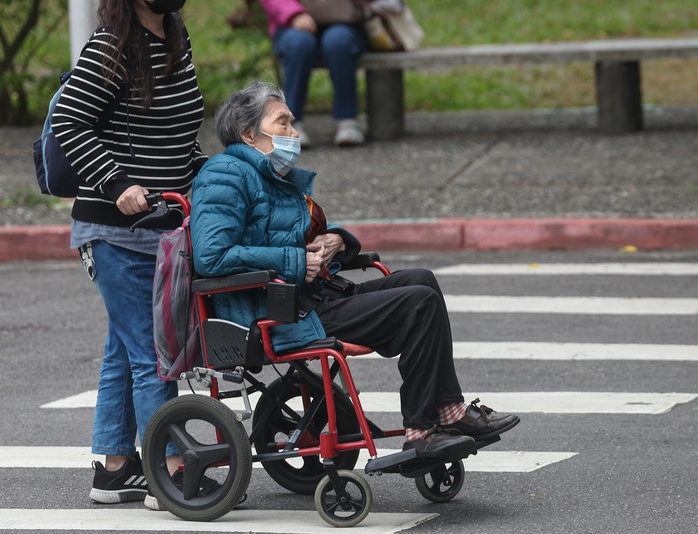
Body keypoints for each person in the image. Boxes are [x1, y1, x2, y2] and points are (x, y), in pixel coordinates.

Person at [189, 81, 520, 458]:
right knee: (417, 304)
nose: (294, 133)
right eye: (283, 123)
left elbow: (295, 238)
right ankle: (421, 431)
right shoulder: (224, 174)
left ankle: (448, 410)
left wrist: (337, 242)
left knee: (421, 279)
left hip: (313, 296)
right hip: (276, 313)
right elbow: (212, 258)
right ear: (249, 134)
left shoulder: (272, 177)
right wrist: (296, 261)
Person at [51, 0, 207, 510]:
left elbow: (179, 136)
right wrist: (116, 183)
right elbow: (71, 122)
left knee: (127, 347)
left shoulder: (174, 41)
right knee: (153, 353)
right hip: (113, 230)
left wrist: (217, 176)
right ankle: (169, 472)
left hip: (162, 228)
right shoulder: (110, 47)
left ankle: (115, 468)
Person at [258, 0, 367, 147]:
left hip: (345, 22)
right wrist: (293, 14)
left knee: (338, 42)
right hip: (291, 23)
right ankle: (290, 122)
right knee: (299, 44)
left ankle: (348, 120)